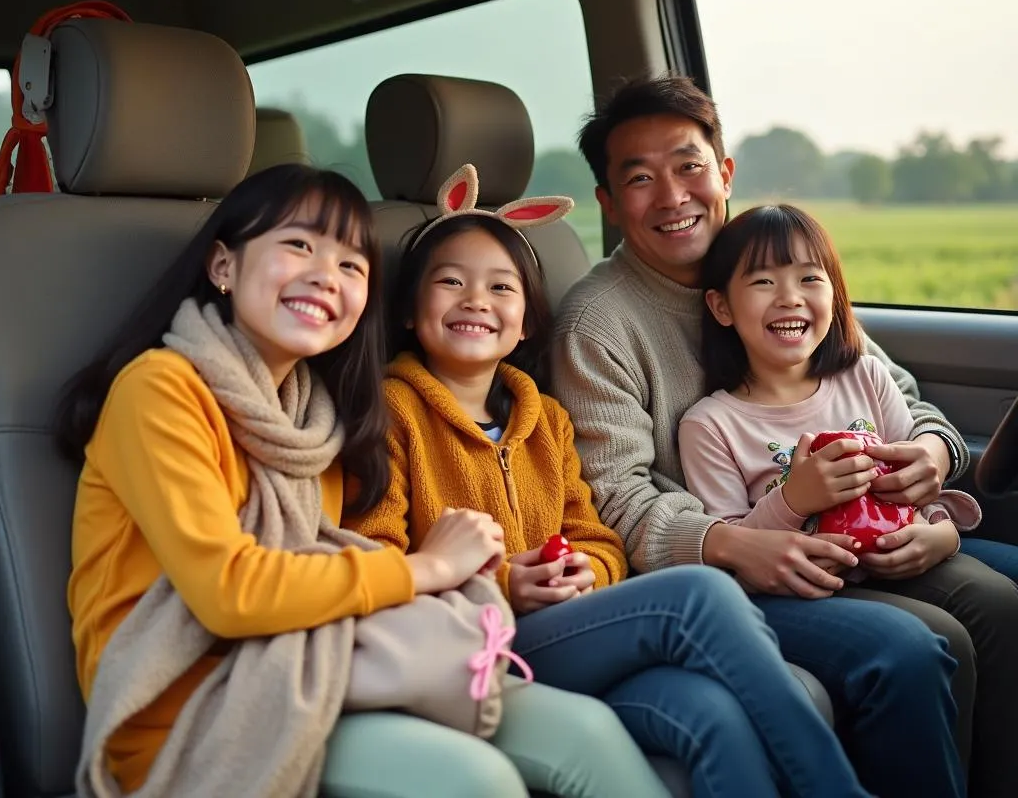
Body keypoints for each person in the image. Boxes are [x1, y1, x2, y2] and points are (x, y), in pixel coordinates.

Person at [58, 163, 675, 798]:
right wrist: (431, 568)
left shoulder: (316, 417)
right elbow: (228, 592)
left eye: (352, 265)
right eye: (298, 244)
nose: (326, 275)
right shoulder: (160, 389)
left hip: (322, 663)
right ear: (223, 265)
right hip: (194, 707)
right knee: (476, 781)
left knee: (587, 733)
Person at [351, 163, 873, 798]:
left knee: (711, 714)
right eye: (451, 282)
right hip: (466, 640)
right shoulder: (387, 415)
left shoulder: (544, 420)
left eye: (501, 288)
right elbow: (372, 559)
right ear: (408, 310)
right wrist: (502, 579)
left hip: (565, 632)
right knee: (699, 597)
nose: (475, 301)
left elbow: (598, 540)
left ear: (527, 324)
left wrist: (584, 573)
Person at [551, 74, 976, 797]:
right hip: (733, 566)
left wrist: (932, 459)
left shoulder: (775, 262)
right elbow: (611, 498)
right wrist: (739, 541)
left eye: (689, 166)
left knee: (999, 598)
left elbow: (893, 392)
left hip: (866, 526)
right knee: (914, 646)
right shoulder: (598, 323)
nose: (674, 195)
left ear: (725, 172)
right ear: (609, 205)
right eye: (641, 179)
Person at [678, 202, 1018, 798]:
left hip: (895, 555)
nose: (790, 298)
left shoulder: (864, 376)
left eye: (811, 278)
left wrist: (940, 530)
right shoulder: (712, 424)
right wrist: (793, 498)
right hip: (807, 583)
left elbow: (912, 486)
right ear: (721, 306)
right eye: (763, 282)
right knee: (942, 637)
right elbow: (731, 548)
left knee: (1000, 600)